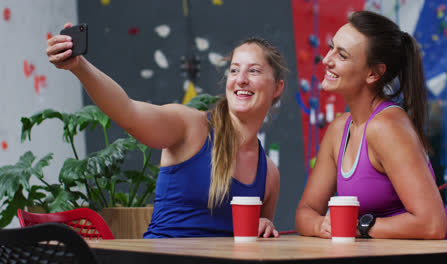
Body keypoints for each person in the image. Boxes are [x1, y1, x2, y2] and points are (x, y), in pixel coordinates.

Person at [47, 23, 286, 238]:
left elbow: (255, 246)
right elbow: (127, 111)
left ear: (277, 88)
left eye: (253, 71)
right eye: (234, 70)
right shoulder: (190, 126)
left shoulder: (269, 175)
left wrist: (263, 227)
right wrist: (80, 67)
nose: (241, 79)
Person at [295, 11, 447, 240]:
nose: (327, 60)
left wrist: (359, 227)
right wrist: (321, 226)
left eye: (342, 55)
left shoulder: (386, 127)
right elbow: (306, 212)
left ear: (373, 73)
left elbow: (432, 225)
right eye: (331, 47)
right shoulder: (339, 130)